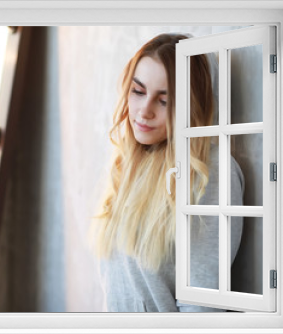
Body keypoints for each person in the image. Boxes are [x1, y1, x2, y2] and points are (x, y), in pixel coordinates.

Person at [89, 33, 245, 312]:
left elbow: (201, 309)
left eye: (164, 100)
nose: (144, 111)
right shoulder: (129, 163)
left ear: (190, 105)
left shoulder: (210, 172)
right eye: (138, 91)